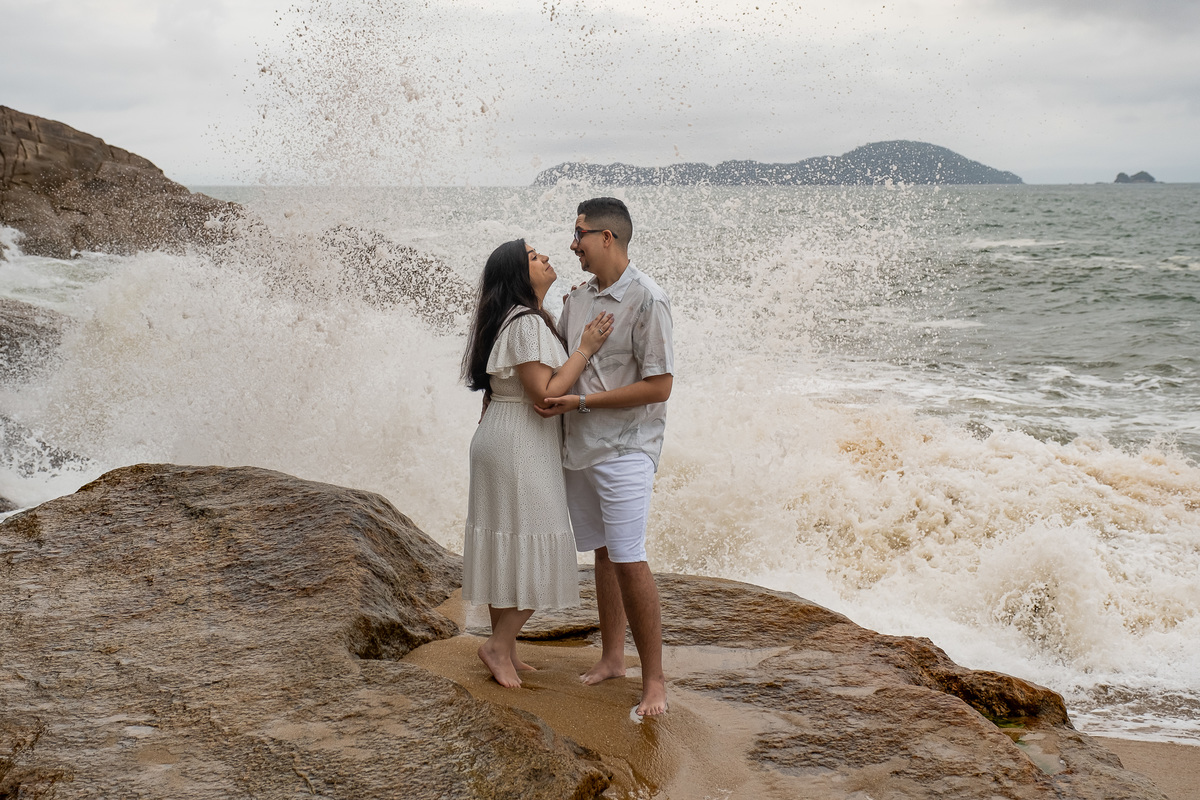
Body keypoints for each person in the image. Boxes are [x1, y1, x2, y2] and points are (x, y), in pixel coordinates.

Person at [536, 198, 674, 716]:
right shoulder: (578, 301)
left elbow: (659, 387)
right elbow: (565, 362)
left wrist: (584, 403)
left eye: (580, 235)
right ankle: (613, 657)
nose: (573, 244)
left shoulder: (647, 300)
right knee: (601, 552)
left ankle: (655, 681)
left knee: (629, 555)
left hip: (626, 449)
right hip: (581, 448)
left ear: (607, 238)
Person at [461, 238, 613, 688]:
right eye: (533, 256)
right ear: (517, 275)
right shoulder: (525, 322)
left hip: (507, 439)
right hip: (519, 443)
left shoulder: (524, 320)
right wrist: (586, 347)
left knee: (508, 542)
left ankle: (503, 647)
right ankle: (495, 646)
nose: (546, 257)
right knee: (537, 545)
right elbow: (545, 393)